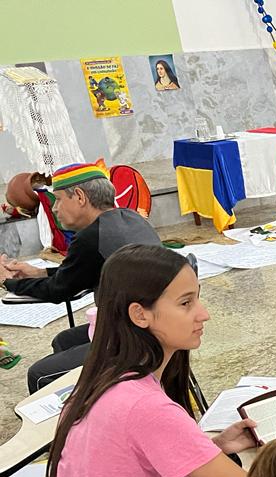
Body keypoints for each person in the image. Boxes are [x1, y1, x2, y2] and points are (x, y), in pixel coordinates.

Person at [44, 244, 256, 477]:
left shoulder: (97, 382)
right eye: (186, 303)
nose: (203, 314)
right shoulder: (148, 407)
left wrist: (215, 447)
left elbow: (134, 461)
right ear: (139, 315)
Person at [1, 162, 162, 392]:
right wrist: (38, 272)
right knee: (64, 340)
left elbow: (60, 289)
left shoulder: (91, 237)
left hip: (134, 340)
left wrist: (7, 281)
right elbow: (82, 274)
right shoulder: (129, 218)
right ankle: (88, 403)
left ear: (79, 197)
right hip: (156, 325)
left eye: (58, 199)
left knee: (38, 374)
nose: (55, 209)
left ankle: (73, 422)